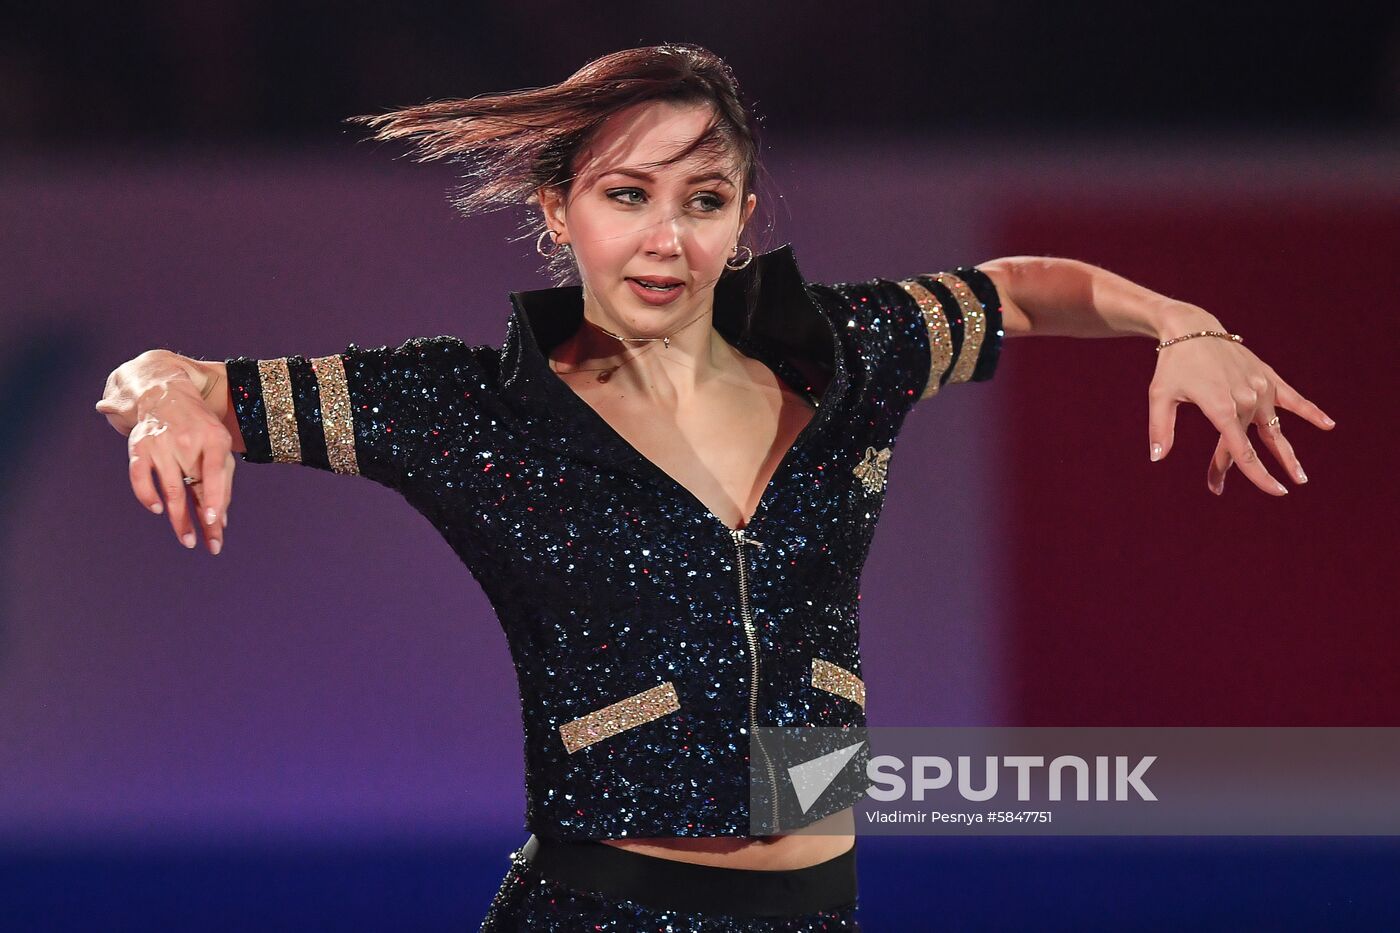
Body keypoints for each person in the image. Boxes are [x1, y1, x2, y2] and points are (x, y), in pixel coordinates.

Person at [96, 43, 1335, 932]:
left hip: (816, 912)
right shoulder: (470, 407)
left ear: (742, 215)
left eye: (702, 200)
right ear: (558, 210)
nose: (665, 239)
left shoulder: (841, 356)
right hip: (605, 912)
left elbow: (1018, 288)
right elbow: (173, 375)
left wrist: (1185, 325)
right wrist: (160, 399)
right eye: (625, 196)